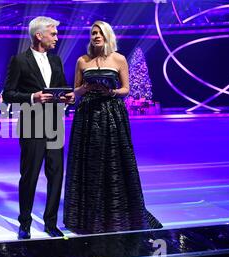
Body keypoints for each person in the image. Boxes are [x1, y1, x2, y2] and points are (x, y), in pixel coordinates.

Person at [63, 20, 163, 234]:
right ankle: (88, 214)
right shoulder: (82, 60)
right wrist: (82, 90)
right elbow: (77, 90)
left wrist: (111, 92)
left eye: (99, 32)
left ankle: (116, 211)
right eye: (93, 33)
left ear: (108, 35)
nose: (96, 36)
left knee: (114, 161)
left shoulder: (119, 59)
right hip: (87, 115)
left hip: (111, 114)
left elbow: (126, 89)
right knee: (88, 163)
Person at [3, 16, 75, 239]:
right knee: (30, 175)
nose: (56, 38)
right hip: (32, 124)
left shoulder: (56, 61)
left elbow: (62, 89)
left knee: (56, 174)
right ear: (39, 35)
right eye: (52, 34)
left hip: (55, 124)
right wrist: (33, 97)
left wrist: (68, 97)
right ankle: (24, 223)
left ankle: (50, 223)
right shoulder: (20, 61)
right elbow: (8, 95)